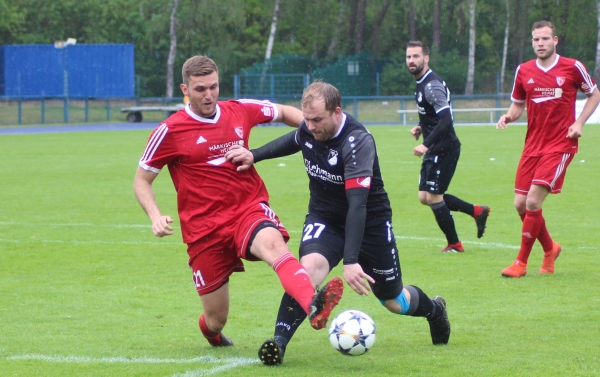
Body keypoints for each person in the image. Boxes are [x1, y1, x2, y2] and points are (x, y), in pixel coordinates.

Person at [225, 81, 451, 366]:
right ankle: (278, 343)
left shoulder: (357, 142)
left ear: (336, 112)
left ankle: (434, 310)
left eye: (317, 119)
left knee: (393, 300)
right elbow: (294, 140)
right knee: (307, 271)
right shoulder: (309, 128)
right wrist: (254, 154)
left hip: (369, 222)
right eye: (306, 119)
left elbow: (357, 206)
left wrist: (352, 260)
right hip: (325, 217)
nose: (310, 125)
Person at [133, 55, 343, 348]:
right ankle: (213, 335)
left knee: (274, 246)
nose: (209, 95)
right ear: (185, 89)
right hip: (203, 228)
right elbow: (142, 180)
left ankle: (313, 304)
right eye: (200, 89)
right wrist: (155, 215)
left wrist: (317, 137)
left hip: (247, 208)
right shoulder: (170, 130)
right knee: (216, 318)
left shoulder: (238, 110)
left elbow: (283, 112)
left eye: (213, 87)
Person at [496, 21, 600, 278]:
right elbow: (518, 106)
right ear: (532, 43)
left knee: (533, 201)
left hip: (560, 143)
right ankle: (550, 248)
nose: (540, 43)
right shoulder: (523, 71)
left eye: (545, 39)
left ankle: (521, 262)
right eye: (536, 40)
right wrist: (509, 116)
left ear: (555, 41)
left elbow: (594, 94)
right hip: (533, 145)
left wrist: (579, 123)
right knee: (520, 204)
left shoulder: (572, 67)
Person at [405, 41, 490, 253]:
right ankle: (477, 211)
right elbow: (432, 115)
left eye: (416, 56)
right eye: (408, 57)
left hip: (445, 148)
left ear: (426, 58)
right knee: (425, 197)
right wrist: (420, 126)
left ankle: (455, 244)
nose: (412, 61)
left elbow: (446, 120)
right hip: (436, 147)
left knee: (434, 197)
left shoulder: (431, 85)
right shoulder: (421, 82)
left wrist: (425, 144)